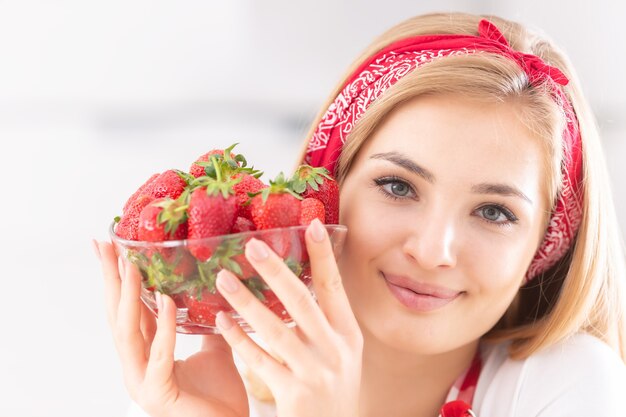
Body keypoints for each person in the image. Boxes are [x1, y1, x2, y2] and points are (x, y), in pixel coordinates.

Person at [93, 11, 626, 417]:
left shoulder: (563, 385)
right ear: (327, 197)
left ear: (545, 244)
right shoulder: (231, 392)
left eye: (494, 211)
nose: (432, 249)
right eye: (397, 186)